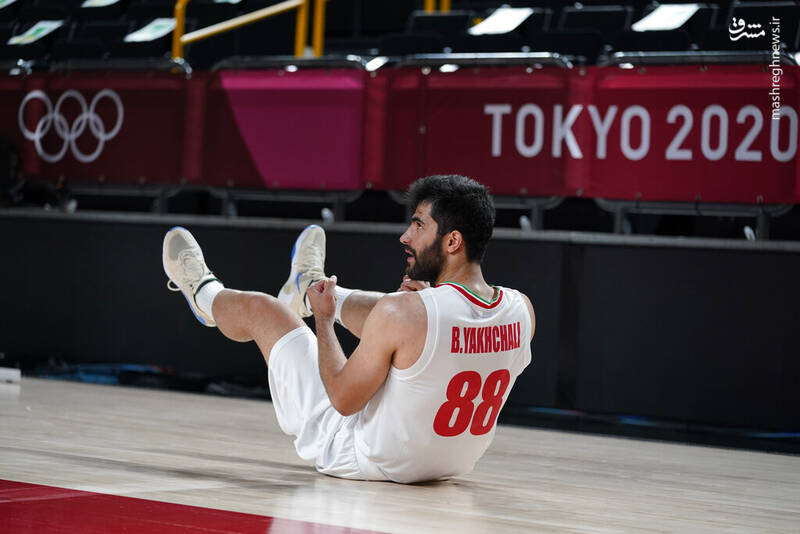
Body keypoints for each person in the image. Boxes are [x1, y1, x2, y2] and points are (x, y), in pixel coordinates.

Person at [162, 175, 535, 484]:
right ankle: (308, 288)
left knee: (266, 310)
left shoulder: (406, 314)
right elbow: (448, 337)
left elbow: (342, 399)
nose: (406, 236)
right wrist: (419, 304)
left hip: (366, 457)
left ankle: (204, 294)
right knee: (396, 314)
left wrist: (324, 321)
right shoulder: (522, 310)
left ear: (452, 241)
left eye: (419, 225)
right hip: (450, 464)